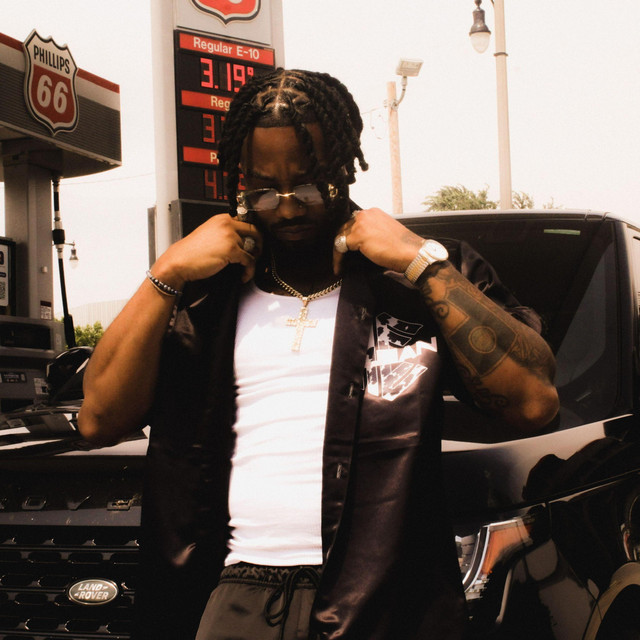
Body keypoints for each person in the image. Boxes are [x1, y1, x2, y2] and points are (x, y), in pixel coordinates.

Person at [78, 69, 558, 640]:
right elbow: (99, 419)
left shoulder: (411, 279)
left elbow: (533, 402)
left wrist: (420, 262)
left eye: (309, 188)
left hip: (387, 601)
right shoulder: (206, 292)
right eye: (262, 191)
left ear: (344, 169)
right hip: (232, 593)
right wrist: (166, 272)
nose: (286, 209)